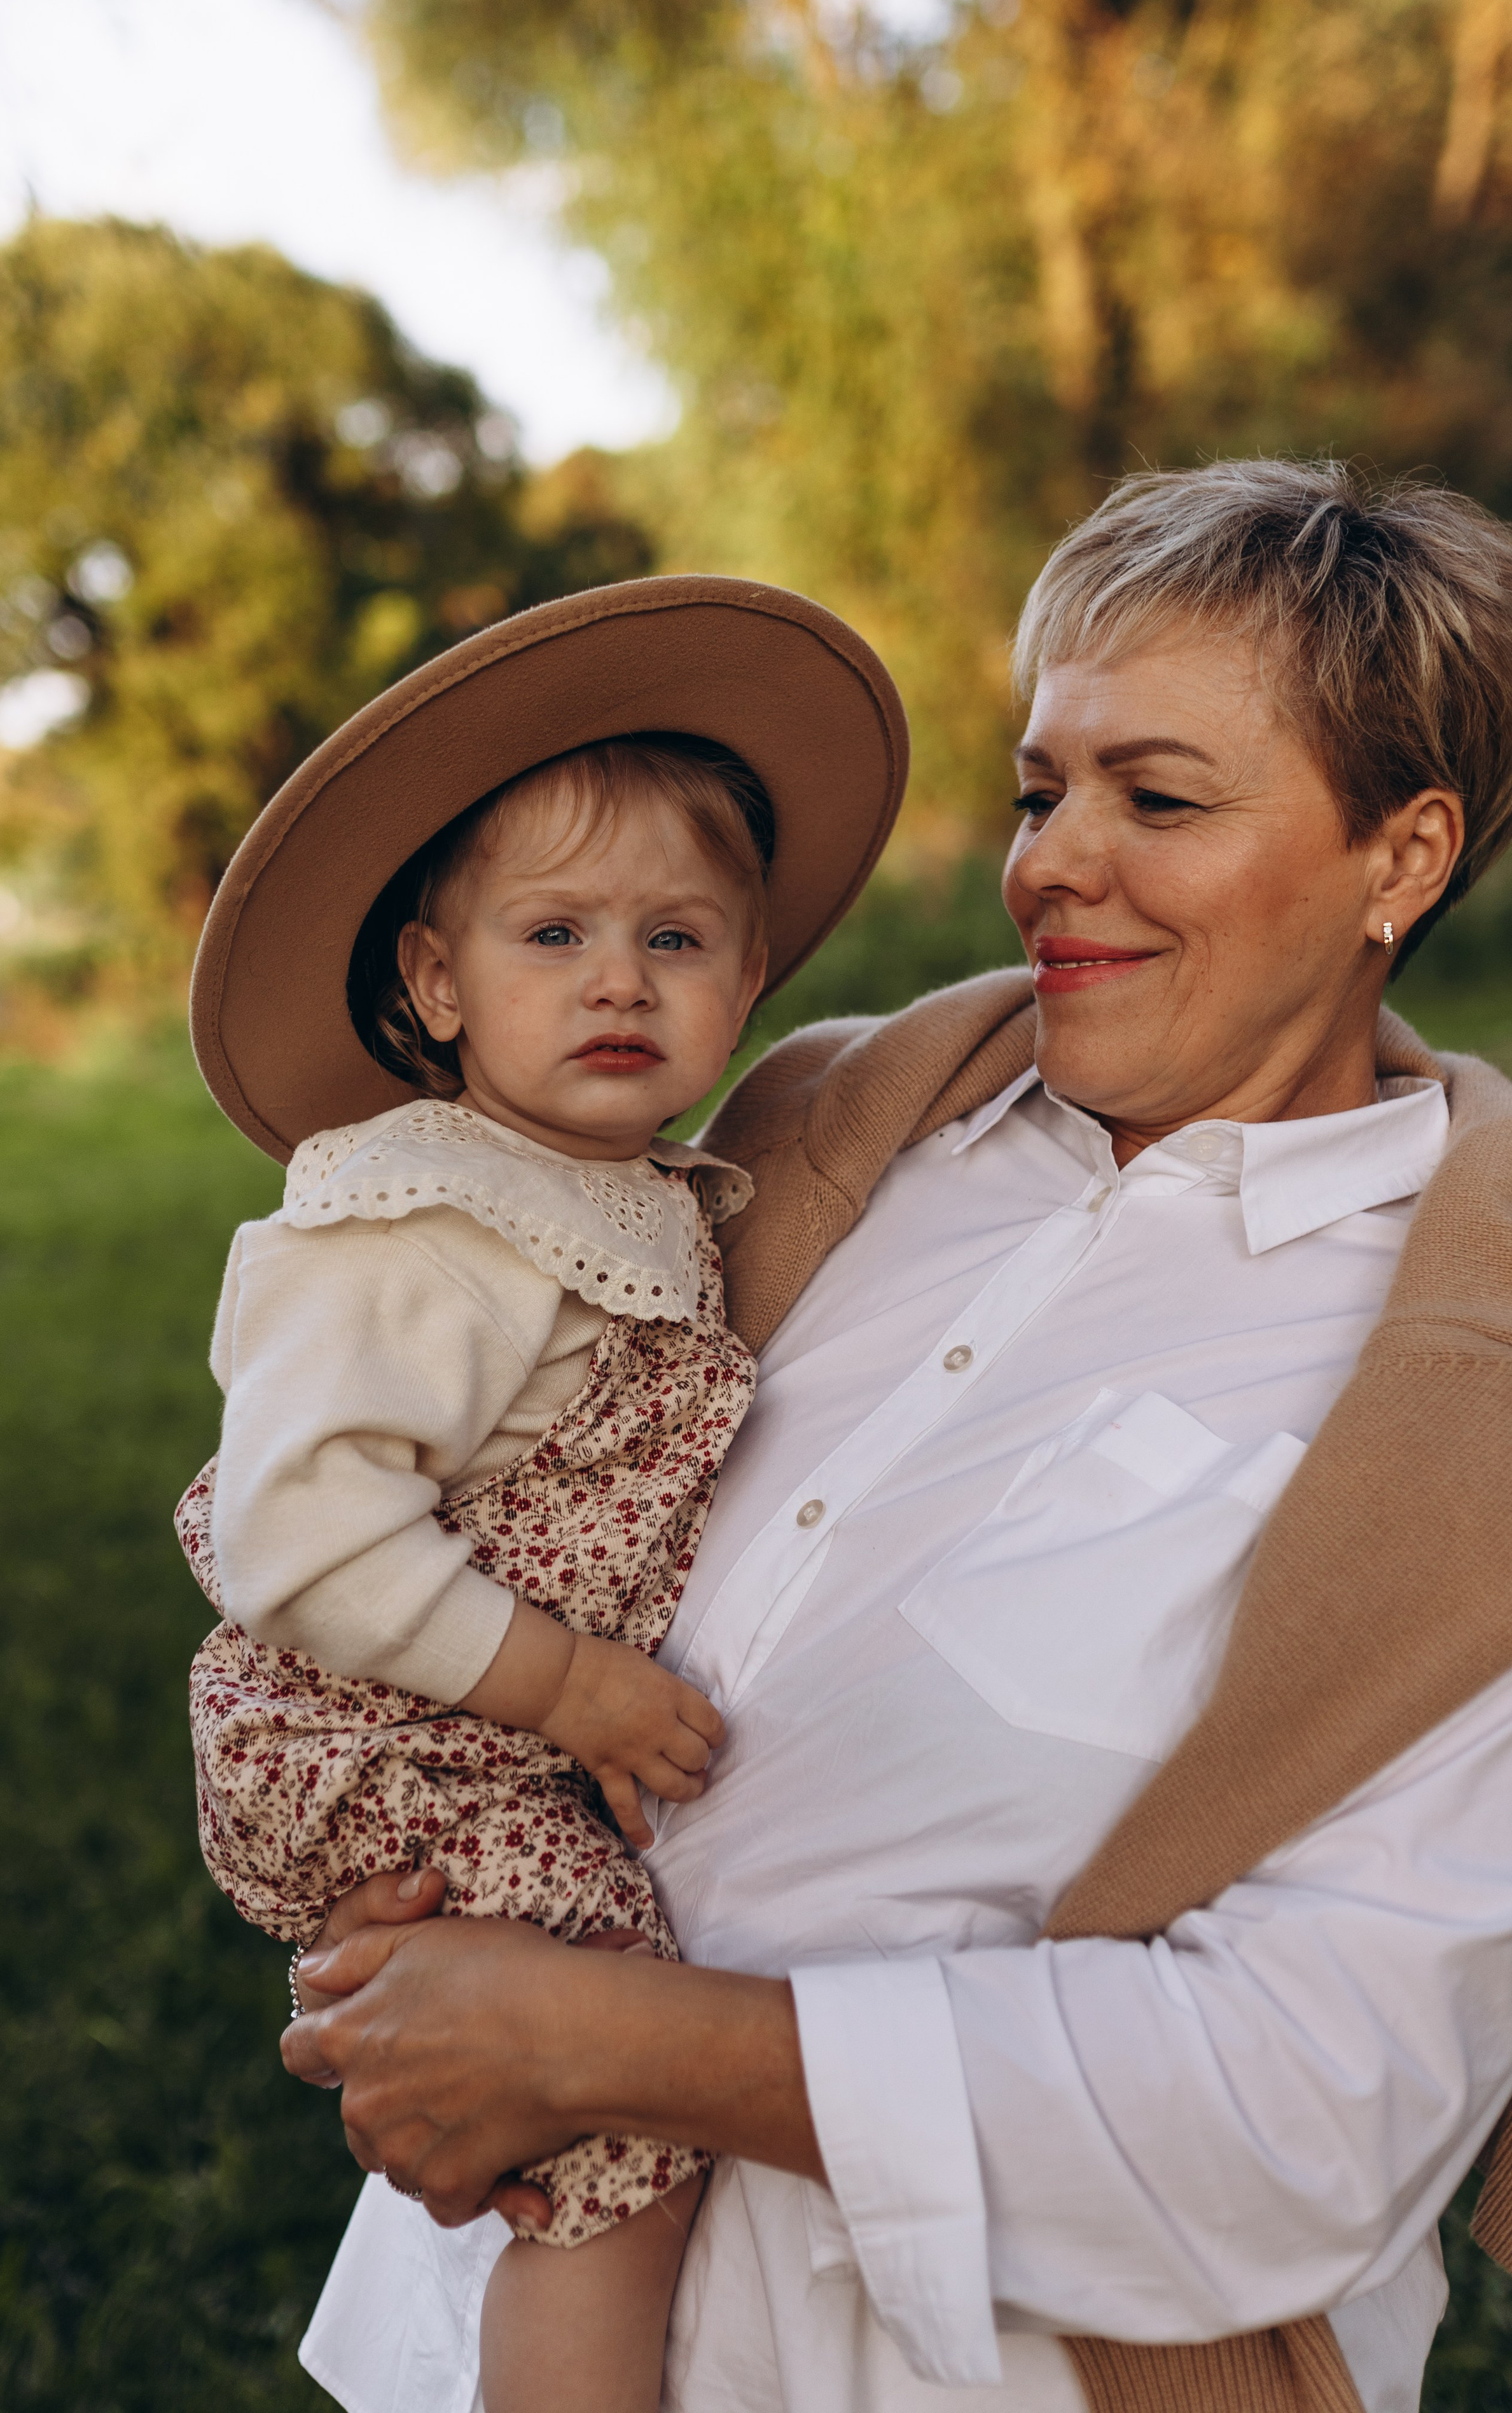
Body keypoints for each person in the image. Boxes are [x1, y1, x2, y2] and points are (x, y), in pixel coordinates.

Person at [284, 463, 1512, 2413]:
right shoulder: (819, 1134)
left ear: (1398, 859)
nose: (1053, 863)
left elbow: (1313, 2110)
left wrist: (612, 2038)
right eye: (1039, 787)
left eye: (1158, 798)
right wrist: (406, 1910)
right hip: (463, 2312)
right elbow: (480, 1500)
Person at [176, 578, 908, 2413]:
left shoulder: (634, 1199)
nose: (616, 979)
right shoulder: (420, 1211)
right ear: (440, 984)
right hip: (382, 1732)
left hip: (465, 1727)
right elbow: (301, 1536)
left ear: (748, 984)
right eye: (555, 931)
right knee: (617, 2138)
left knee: (608, 2059)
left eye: (677, 939)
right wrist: (576, 1693)